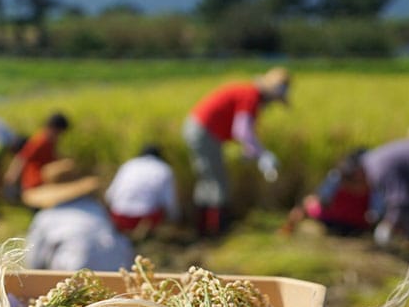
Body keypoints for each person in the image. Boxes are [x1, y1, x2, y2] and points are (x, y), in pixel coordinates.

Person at [183, 67, 290, 236]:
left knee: (208, 181)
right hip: (204, 132)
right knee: (218, 182)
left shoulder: (248, 94)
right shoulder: (251, 96)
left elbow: (241, 132)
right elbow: (242, 130)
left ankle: (203, 230)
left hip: (201, 131)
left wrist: (251, 151)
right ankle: (216, 233)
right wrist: (262, 154)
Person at [22, 159, 135, 271]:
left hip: (75, 275)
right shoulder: (97, 208)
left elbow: (34, 261)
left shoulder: (46, 218)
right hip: (118, 268)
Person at [281, 148, 376, 236]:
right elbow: (321, 199)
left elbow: (374, 215)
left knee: (308, 203)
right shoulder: (338, 177)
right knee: (307, 203)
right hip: (333, 220)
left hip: (356, 225)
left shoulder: (373, 182)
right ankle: (287, 229)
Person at [105, 144, 181, 237]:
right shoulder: (164, 169)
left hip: (118, 216)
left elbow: (109, 195)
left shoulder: (128, 165)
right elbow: (169, 202)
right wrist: (176, 219)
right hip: (145, 219)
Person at [3, 112, 70, 200]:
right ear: (53, 128)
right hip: (34, 184)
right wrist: (12, 176)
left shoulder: (50, 142)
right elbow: (22, 158)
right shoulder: (39, 141)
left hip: (43, 182)